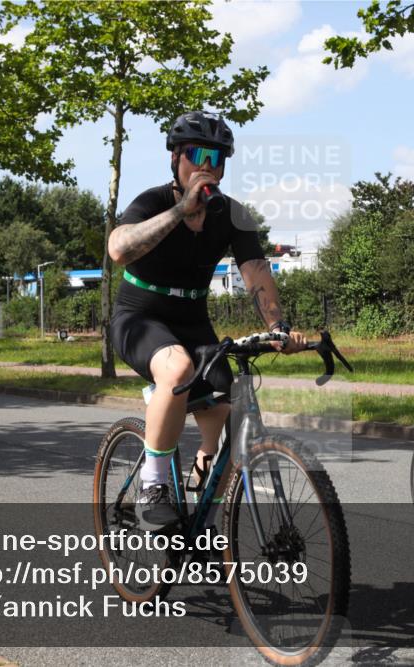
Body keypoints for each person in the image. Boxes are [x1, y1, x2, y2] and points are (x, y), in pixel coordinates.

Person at [108, 111, 306, 532]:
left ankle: (202, 514)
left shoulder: (231, 214)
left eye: (217, 157)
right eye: (196, 154)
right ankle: (154, 487)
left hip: (193, 321)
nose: (207, 165)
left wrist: (279, 327)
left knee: (230, 414)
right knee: (176, 368)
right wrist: (181, 209)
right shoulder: (153, 202)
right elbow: (119, 249)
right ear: (175, 158)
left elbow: (255, 270)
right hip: (140, 319)